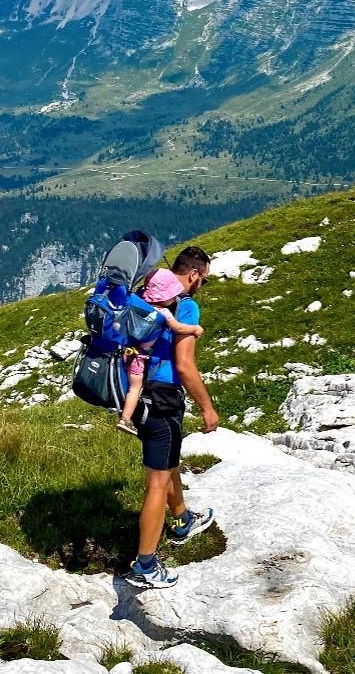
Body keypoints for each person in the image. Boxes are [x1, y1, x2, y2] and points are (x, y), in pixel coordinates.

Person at [125, 245, 220, 589]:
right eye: (203, 280)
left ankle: (181, 519)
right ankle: (146, 565)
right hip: (163, 401)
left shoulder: (144, 296)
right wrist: (207, 407)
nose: (201, 286)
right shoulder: (185, 306)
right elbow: (184, 364)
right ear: (193, 274)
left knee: (166, 462)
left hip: (135, 395)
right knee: (157, 481)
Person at [117, 268, 204, 436]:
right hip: (141, 358)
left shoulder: (137, 305)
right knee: (136, 388)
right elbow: (178, 328)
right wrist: (195, 328)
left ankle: (123, 412)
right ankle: (125, 419)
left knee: (130, 387)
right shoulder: (162, 312)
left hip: (128, 354)